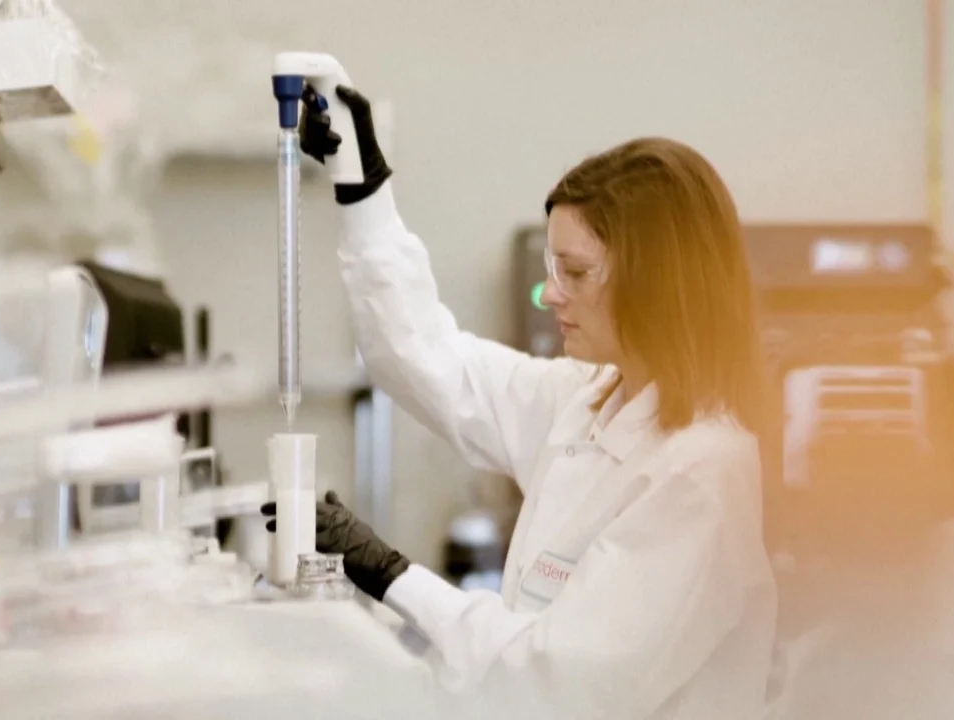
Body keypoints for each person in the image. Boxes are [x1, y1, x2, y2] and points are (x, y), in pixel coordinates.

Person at [263, 84, 777, 718]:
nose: (550, 294)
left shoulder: (702, 471)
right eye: (553, 269)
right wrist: (364, 193)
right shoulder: (589, 401)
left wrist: (392, 574)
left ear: (658, 281)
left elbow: (562, 682)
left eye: (575, 273)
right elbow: (428, 358)